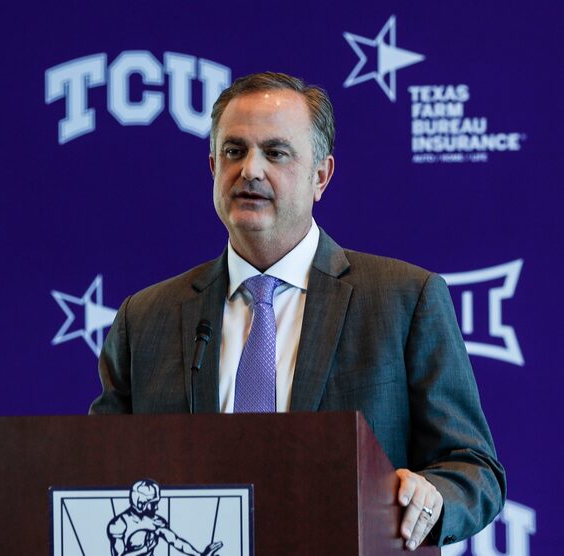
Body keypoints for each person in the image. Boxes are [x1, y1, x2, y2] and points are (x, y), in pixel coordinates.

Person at [90, 72, 505, 550]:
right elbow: (100, 476)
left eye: (275, 152)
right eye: (234, 151)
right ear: (211, 168)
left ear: (320, 177)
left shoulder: (404, 299)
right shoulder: (145, 318)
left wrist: (433, 496)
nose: (250, 170)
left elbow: (474, 468)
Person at [107, 480, 223, 556]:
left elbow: (176, 541)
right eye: (153, 503)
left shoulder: (157, 522)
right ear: (141, 504)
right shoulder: (119, 525)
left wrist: (200, 555)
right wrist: (144, 550)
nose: (157, 508)